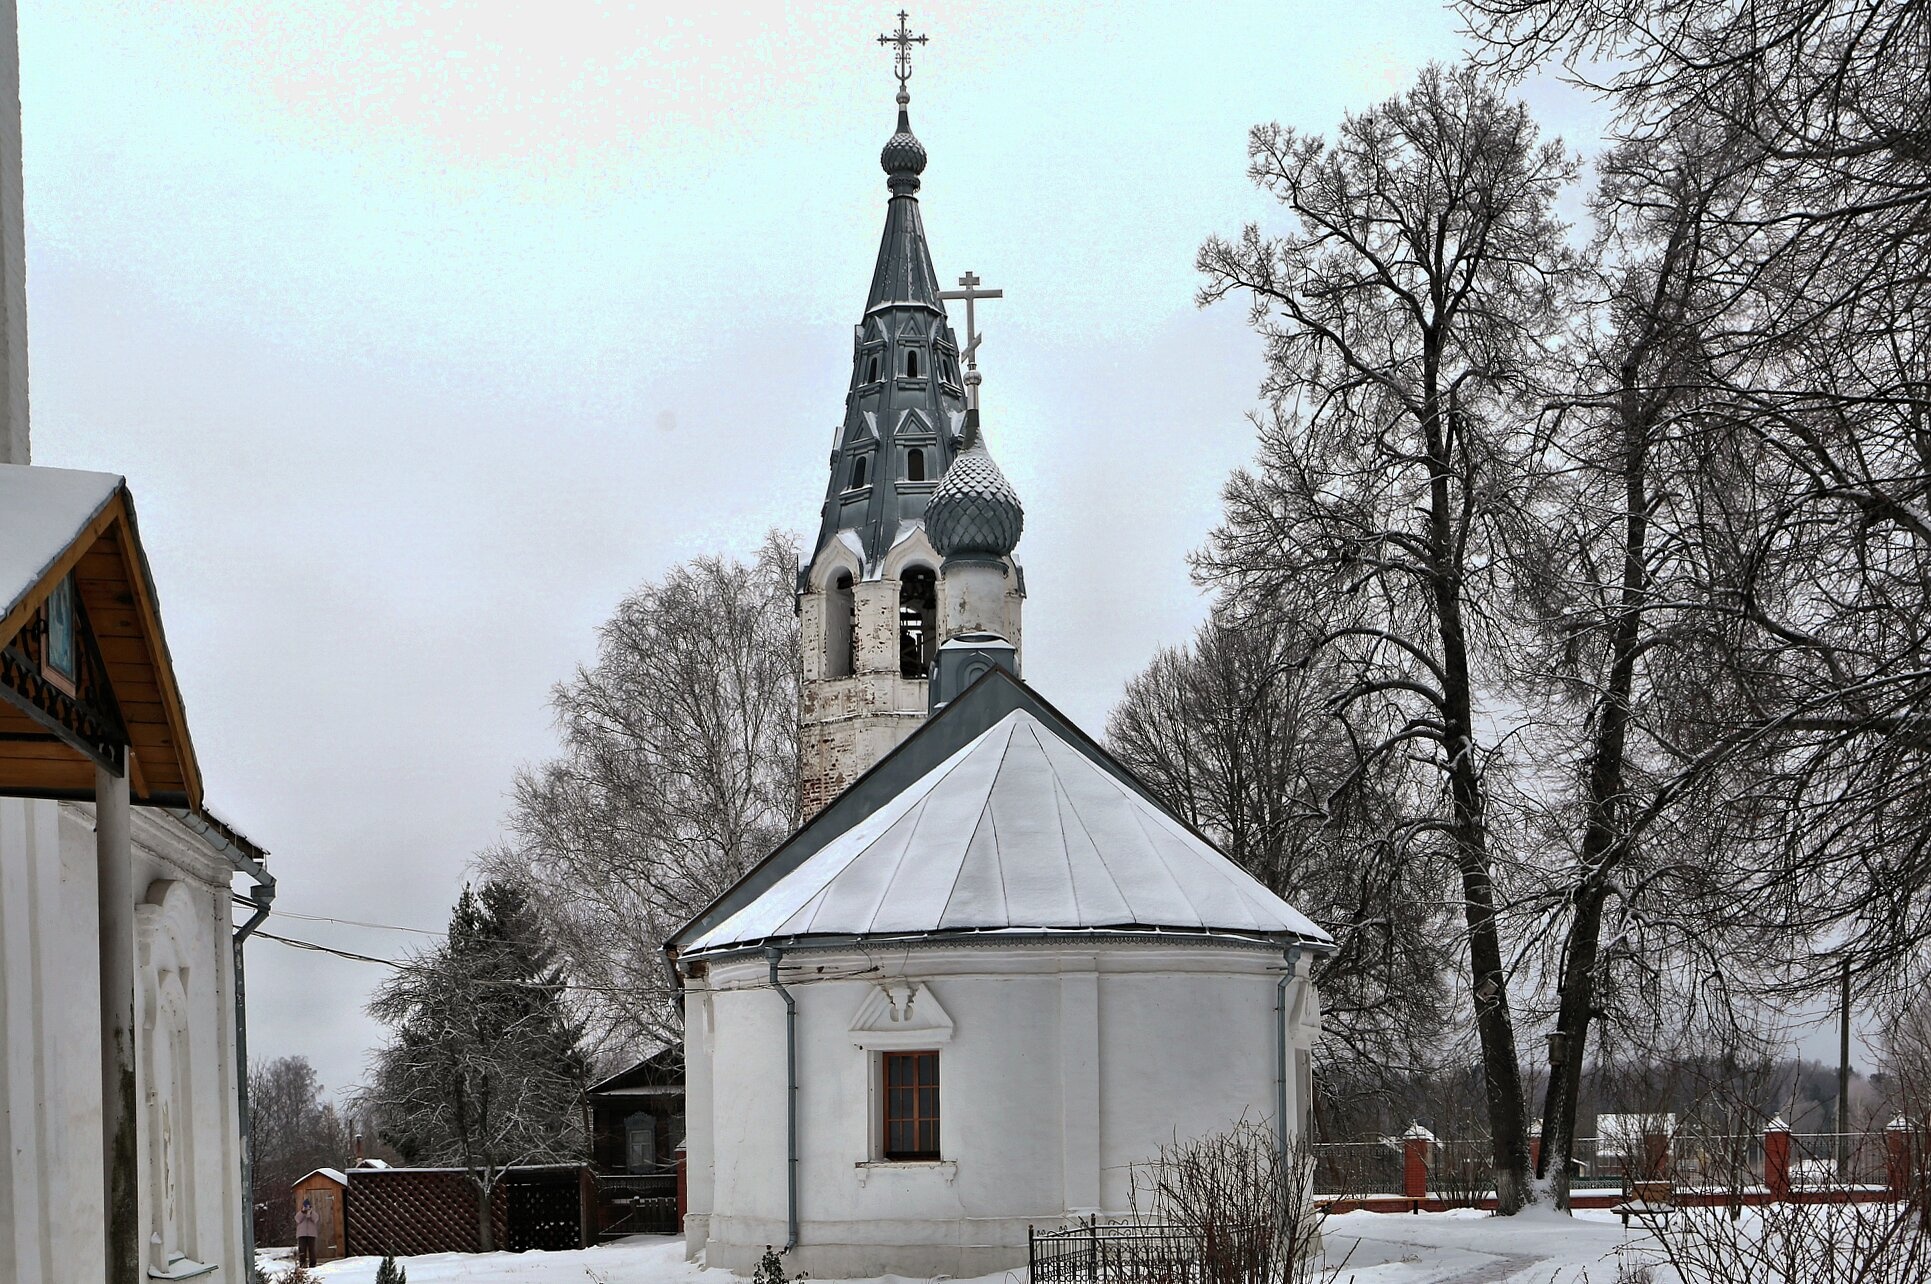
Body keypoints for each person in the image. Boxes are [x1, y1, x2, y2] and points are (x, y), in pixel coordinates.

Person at [295, 1195, 319, 1268]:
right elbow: (297, 1219)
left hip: (311, 1234)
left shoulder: (314, 1213)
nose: (306, 1208)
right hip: (302, 1234)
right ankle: (302, 1264)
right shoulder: (300, 1214)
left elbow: (315, 1219)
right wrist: (302, 1212)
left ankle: (313, 1264)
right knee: (302, 1249)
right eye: (305, 1206)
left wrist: (310, 1213)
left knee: (312, 1249)